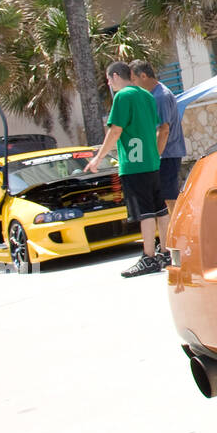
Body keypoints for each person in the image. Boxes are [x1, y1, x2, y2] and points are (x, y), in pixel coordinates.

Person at [84, 62, 168, 277]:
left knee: (145, 212)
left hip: (133, 163)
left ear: (114, 76)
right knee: (160, 209)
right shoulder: (147, 95)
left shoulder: (122, 97)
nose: (109, 84)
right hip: (151, 160)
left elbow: (115, 131)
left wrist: (98, 159)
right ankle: (166, 252)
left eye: (108, 79)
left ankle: (149, 257)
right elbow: (159, 127)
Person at [131, 60, 186, 221]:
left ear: (143, 75)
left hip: (166, 155)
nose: (134, 85)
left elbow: (163, 129)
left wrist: (154, 157)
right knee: (163, 199)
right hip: (164, 154)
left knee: (169, 198)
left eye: (134, 80)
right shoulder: (154, 95)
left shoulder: (160, 96)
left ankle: (176, 236)